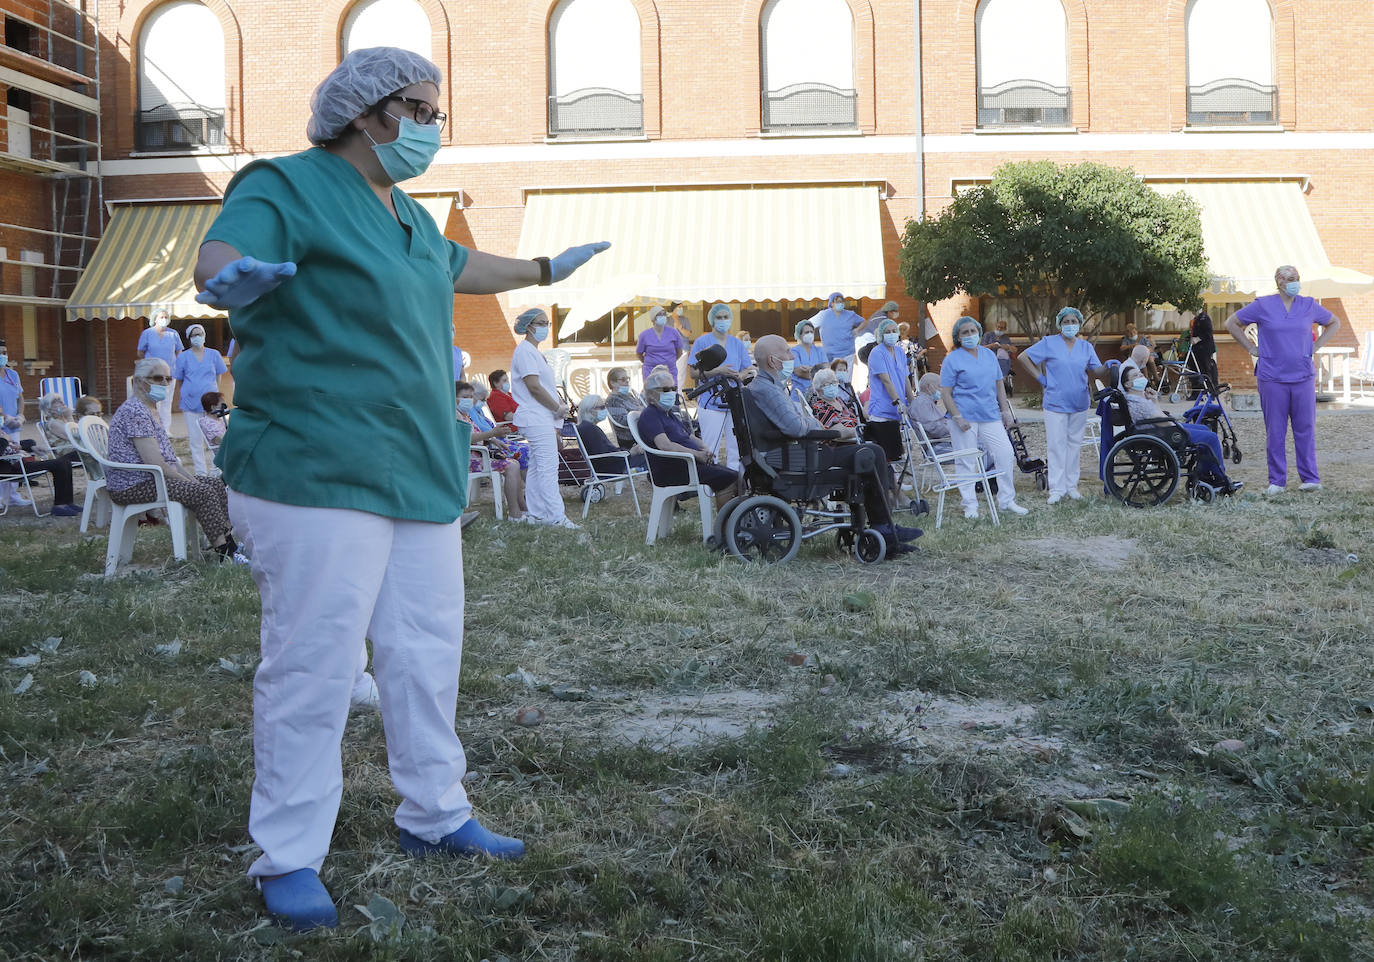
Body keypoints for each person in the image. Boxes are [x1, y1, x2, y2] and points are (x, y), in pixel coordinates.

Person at [192, 46, 609, 931]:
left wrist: (541, 272)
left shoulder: (406, 214)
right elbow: (225, 249)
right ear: (366, 113)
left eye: (435, 112)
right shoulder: (287, 184)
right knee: (314, 665)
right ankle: (289, 857)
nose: (432, 125)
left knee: (424, 653)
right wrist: (224, 279)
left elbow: (457, 268)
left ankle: (436, 813)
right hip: (314, 464)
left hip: (415, 465)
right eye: (420, 108)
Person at [747, 335, 920, 554]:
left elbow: (800, 421)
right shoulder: (768, 390)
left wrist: (810, 421)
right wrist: (823, 427)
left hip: (791, 454)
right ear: (772, 361)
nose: (792, 356)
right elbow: (797, 427)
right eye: (787, 352)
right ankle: (883, 528)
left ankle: (883, 526)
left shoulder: (767, 387)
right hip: (798, 459)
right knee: (872, 452)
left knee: (869, 452)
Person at [1226, 264, 1340, 494]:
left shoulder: (1308, 305)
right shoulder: (1263, 305)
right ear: (1278, 282)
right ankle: (1277, 481)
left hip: (1303, 376)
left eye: (1297, 277)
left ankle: (1310, 479)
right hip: (1272, 378)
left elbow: (1334, 322)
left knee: (1305, 429)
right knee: (1276, 431)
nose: (1294, 281)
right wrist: (1251, 348)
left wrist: (1316, 345)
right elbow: (1231, 323)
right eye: (1289, 278)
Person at [104, 359, 242, 545]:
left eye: (168, 379)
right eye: (157, 378)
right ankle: (225, 551)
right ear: (137, 381)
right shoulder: (134, 411)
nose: (164, 383)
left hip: (153, 479)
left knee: (215, 485)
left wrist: (191, 479)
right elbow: (156, 463)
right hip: (133, 484)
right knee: (203, 492)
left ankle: (225, 539)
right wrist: (192, 483)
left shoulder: (150, 408)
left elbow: (171, 461)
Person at [1017, 307, 1109, 504]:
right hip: (1055, 402)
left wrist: (1109, 365)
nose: (1069, 325)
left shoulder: (1085, 347)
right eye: (1066, 322)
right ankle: (1056, 489)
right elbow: (1023, 357)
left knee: (1074, 446)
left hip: (1079, 403)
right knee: (1056, 445)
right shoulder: (1049, 343)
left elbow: (1098, 370)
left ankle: (1071, 486)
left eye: (1073, 321)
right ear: (1060, 324)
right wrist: (1041, 378)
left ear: (1079, 324)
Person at [940, 317, 1030, 519]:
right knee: (967, 460)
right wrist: (957, 416)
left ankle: (1006, 500)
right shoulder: (952, 359)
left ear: (979, 333)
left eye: (973, 331)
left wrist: (1005, 410)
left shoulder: (988, 356)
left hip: (990, 415)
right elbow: (946, 393)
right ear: (958, 336)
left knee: (1005, 453)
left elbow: (999, 384)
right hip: (964, 417)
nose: (970, 335)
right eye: (965, 332)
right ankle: (970, 505)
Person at [1118, 367, 1241, 495]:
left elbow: (1159, 417)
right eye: (1135, 376)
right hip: (1161, 432)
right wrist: (1175, 424)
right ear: (1128, 384)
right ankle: (1219, 479)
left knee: (1204, 429)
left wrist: (1154, 400)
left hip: (1158, 430)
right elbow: (1162, 419)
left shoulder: (1140, 398)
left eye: (1140, 373)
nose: (1141, 376)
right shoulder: (1138, 402)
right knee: (1211, 438)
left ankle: (1206, 475)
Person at [510, 308, 578, 529]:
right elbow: (534, 387)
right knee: (548, 467)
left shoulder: (534, 352)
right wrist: (557, 408)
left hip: (540, 417)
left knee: (538, 466)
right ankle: (556, 516)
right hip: (536, 416)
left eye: (547, 322)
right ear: (529, 326)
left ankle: (539, 514)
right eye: (541, 322)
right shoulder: (525, 352)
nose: (546, 327)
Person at [636, 367, 739, 498]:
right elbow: (665, 445)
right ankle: (727, 518)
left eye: (673, 389)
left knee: (737, 476)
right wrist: (696, 454)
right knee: (729, 479)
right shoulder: (650, 415)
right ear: (650, 394)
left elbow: (688, 436)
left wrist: (705, 448)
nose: (671, 393)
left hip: (689, 464)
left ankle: (736, 515)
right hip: (673, 469)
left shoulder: (668, 414)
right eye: (666, 390)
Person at [688, 303, 752, 471]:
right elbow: (693, 373)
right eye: (719, 317)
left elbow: (748, 367)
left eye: (726, 317)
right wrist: (718, 371)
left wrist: (741, 375)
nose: (723, 320)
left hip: (734, 400)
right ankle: (710, 488)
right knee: (711, 448)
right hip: (711, 401)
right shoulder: (702, 342)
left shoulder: (737, 344)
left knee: (736, 449)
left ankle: (735, 486)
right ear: (712, 320)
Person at [457, 381, 525, 520]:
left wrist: (494, 440)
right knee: (512, 466)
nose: (469, 400)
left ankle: (521, 507)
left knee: (515, 463)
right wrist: (493, 433)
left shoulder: (464, 415)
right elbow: (468, 438)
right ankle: (515, 513)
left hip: (478, 455)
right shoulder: (455, 415)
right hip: (468, 460)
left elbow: (477, 433)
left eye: (471, 397)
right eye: (465, 397)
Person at [171, 323, 229, 476]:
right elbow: (179, 380)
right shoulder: (183, 356)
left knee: (215, 439)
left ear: (204, 335)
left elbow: (219, 374)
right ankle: (201, 472)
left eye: (200, 334)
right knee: (196, 440)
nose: (198, 337)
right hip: (190, 404)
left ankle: (215, 470)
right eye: (194, 335)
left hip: (211, 405)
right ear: (189, 338)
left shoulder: (214, 354)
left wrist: (216, 393)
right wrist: (182, 396)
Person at [863, 318, 911, 465]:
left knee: (897, 448)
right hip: (883, 407)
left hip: (899, 408)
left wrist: (912, 400)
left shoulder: (900, 351)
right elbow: (886, 380)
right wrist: (897, 401)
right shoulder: (877, 353)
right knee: (886, 451)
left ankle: (897, 479)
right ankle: (891, 479)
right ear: (881, 335)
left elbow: (905, 377)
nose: (891, 334)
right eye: (887, 332)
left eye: (893, 331)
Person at [136, 309, 184, 434]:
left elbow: (179, 350)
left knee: (167, 402)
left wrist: (177, 362)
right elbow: (140, 352)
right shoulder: (147, 333)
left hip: (169, 374)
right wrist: (150, 364)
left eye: (166, 317)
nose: (164, 319)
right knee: (153, 401)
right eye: (161, 317)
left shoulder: (173, 334)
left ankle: (165, 429)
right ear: (155, 319)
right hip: (152, 374)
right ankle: (153, 428)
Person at [575, 394, 646, 471]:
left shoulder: (587, 427)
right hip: (613, 467)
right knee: (649, 458)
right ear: (590, 410)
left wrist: (629, 450)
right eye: (602, 407)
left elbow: (606, 451)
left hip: (609, 465)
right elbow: (606, 455)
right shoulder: (589, 429)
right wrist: (631, 452)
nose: (605, 409)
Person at [812, 292, 866, 365]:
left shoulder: (850, 315)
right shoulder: (824, 315)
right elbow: (807, 324)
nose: (840, 304)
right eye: (838, 302)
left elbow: (864, 322)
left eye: (842, 301)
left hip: (848, 354)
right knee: (831, 376)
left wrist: (857, 330)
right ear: (831, 303)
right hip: (830, 355)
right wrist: (811, 342)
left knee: (846, 375)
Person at [635, 306, 685, 386]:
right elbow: (639, 354)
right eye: (659, 315)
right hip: (650, 371)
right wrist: (650, 363)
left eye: (664, 314)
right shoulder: (644, 335)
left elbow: (679, 351)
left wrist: (669, 361)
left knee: (670, 394)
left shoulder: (673, 332)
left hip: (669, 370)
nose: (663, 316)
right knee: (652, 395)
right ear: (653, 319)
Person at [604, 366, 644, 449]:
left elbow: (642, 408)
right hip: (631, 437)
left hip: (640, 432)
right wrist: (640, 414)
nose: (627, 382)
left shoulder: (628, 395)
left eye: (627, 379)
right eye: (623, 379)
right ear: (613, 383)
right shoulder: (613, 400)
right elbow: (624, 421)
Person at [807, 367, 859, 432]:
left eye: (834, 382)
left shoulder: (839, 400)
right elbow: (839, 432)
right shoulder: (820, 407)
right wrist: (861, 432)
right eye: (827, 384)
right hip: (844, 441)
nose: (832, 386)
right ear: (819, 390)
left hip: (857, 438)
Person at [790, 319, 829, 397]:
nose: (810, 334)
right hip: (799, 396)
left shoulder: (819, 350)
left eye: (811, 332)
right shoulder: (794, 351)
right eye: (807, 332)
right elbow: (798, 372)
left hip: (818, 395)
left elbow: (827, 370)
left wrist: (809, 369)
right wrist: (818, 371)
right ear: (799, 335)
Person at [908, 373, 951, 442]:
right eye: (939, 386)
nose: (942, 390)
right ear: (928, 386)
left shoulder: (926, 401)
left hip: (942, 441)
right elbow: (933, 428)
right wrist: (953, 428)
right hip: (939, 445)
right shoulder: (921, 403)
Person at [981, 320, 1017, 392]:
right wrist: (991, 345)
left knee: (1002, 372)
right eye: (998, 327)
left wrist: (1007, 347)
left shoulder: (1006, 338)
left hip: (1002, 362)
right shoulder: (988, 335)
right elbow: (981, 348)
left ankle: (1001, 386)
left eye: (1002, 328)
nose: (999, 329)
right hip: (989, 360)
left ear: (1005, 329)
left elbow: (1014, 349)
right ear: (995, 327)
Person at [1190, 309, 1219, 391]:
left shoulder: (1204, 318)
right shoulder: (1197, 319)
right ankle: (1197, 392)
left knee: (1206, 370)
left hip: (1205, 349)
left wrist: (1198, 339)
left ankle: (1210, 391)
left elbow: (1208, 333)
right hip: (1197, 349)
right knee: (1195, 370)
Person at [197, 391, 228, 458]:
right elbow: (217, 440)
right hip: (224, 454)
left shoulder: (218, 420)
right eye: (222, 405)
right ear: (213, 407)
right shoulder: (208, 423)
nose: (225, 408)